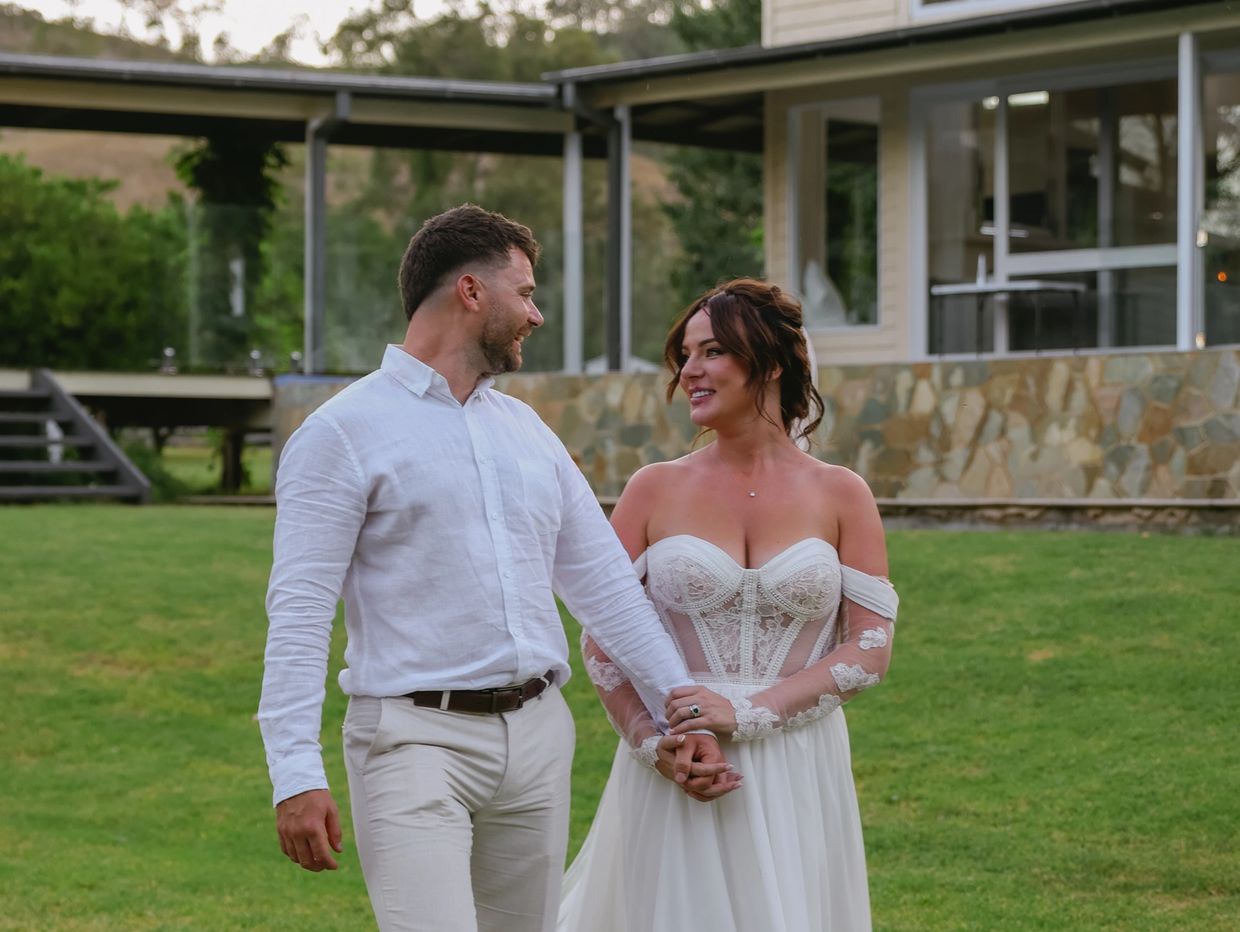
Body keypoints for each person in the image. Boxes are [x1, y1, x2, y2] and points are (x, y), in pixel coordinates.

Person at [258, 204, 734, 932]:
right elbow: (298, 613)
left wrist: (682, 704)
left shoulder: (526, 431)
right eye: (528, 292)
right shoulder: (342, 434)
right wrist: (295, 773)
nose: (536, 315)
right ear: (472, 292)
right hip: (414, 742)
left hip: (539, 739)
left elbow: (605, 587)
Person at [559, 278, 899, 931]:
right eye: (685, 355)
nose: (689, 371)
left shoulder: (842, 494)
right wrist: (651, 741)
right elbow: (603, 636)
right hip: (678, 757)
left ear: (769, 363)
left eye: (711, 352)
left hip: (797, 761)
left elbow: (870, 648)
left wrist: (748, 714)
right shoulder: (652, 489)